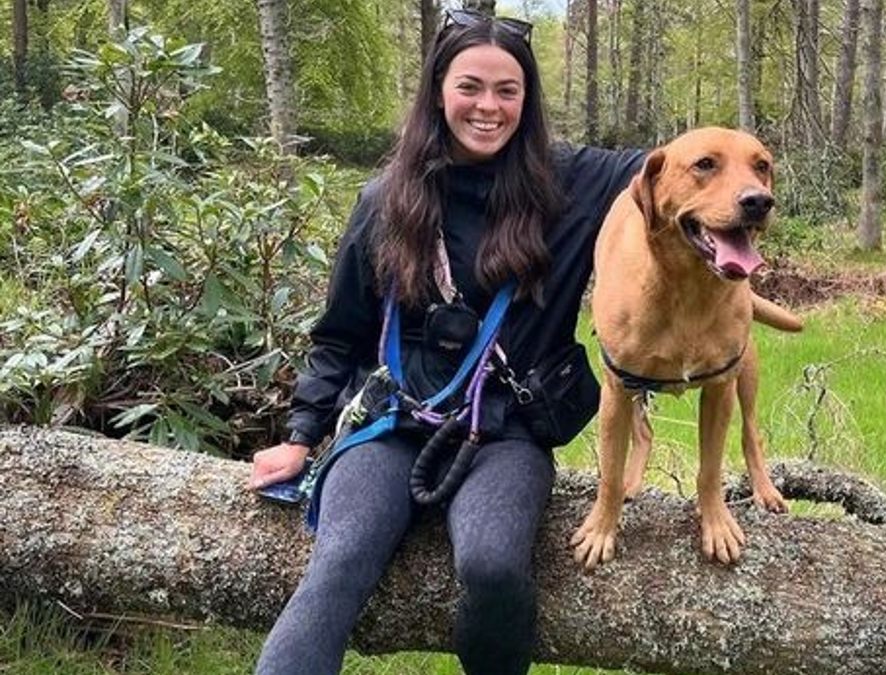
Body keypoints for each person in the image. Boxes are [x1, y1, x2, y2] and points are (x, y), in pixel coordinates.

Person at [246, 9, 645, 675]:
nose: (488, 106)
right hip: (391, 425)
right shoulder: (386, 199)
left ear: (527, 100)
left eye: (508, 90)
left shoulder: (572, 183)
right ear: (438, 90)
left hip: (506, 432)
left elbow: (680, 166)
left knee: (493, 565)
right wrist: (300, 433)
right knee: (340, 559)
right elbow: (339, 333)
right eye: (469, 86)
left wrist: (739, 194)